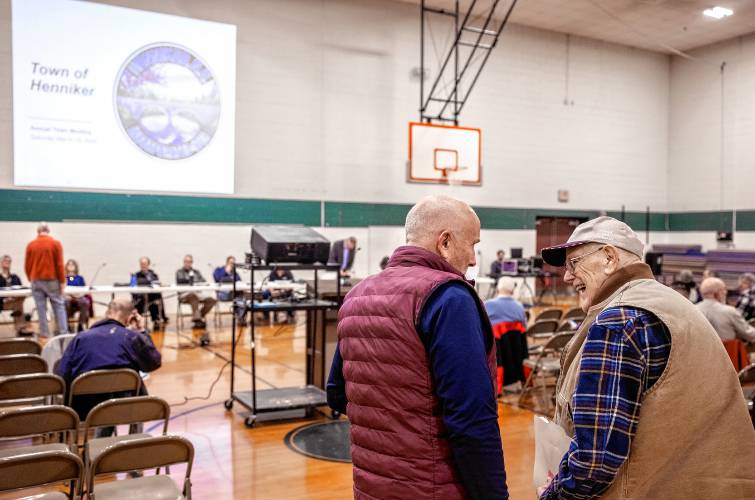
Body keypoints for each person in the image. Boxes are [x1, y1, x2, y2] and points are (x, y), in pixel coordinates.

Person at [538, 216, 755, 499]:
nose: (567, 276)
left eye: (573, 263)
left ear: (608, 257)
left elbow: (595, 460)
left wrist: (553, 496)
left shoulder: (618, 322)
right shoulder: (671, 302)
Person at [327, 195, 508, 499]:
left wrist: (395, 427)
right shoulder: (450, 298)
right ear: (445, 242)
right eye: (473, 244)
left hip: (371, 486)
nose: (475, 259)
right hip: (433, 487)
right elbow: (471, 420)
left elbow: (337, 393)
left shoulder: (358, 295)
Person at [56, 298, 161, 436]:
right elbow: (153, 363)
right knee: (125, 390)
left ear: (106, 313)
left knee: (104, 395)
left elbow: (62, 376)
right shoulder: (131, 337)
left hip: (82, 409)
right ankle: (135, 441)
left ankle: (94, 444)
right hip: (125, 408)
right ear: (131, 318)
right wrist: (141, 331)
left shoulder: (80, 338)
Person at [485, 276, 528, 395]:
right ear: (513, 290)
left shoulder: (487, 305)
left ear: (498, 289)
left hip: (498, 355)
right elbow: (525, 329)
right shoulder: (519, 307)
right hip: (517, 353)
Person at [25, 222, 68, 337]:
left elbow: (27, 265)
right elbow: (59, 264)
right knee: (59, 306)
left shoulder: (31, 245)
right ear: (48, 231)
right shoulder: (55, 243)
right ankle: (63, 332)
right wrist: (62, 281)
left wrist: (31, 277)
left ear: (38, 231)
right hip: (51, 279)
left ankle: (44, 333)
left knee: (40, 308)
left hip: (36, 280)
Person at [697, 277, 755, 344]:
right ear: (717, 293)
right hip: (727, 353)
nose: (726, 292)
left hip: (698, 352)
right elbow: (750, 334)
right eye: (723, 289)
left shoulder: (694, 310)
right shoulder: (729, 311)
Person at [176, 254, 216, 328]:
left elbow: (203, 281)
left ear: (192, 263)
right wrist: (193, 281)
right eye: (186, 261)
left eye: (189, 262)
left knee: (212, 300)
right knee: (193, 296)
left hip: (197, 293)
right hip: (184, 295)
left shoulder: (196, 272)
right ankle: (197, 320)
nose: (187, 263)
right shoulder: (179, 272)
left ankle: (198, 316)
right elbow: (181, 281)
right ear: (183, 262)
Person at [130, 257, 168, 330]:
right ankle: (138, 319)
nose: (143, 265)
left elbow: (156, 283)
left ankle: (157, 318)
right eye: (141, 264)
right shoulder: (136, 275)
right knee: (144, 299)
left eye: (144, 264)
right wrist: (148, 282)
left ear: (148, 264)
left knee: (157, 296)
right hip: (140, 298)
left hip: (151, 297)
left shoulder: (153, 274)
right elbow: (136, 284)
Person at [0, 254, 33, 336]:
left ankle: (21, 329)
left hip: (14, 302)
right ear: (1, 263)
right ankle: (21, 326)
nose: (7, 263)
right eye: (5, 261)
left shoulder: (15, 277)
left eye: (9, 261)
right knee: (18, 304)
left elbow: (22, 289)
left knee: (19, 303)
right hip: (1, 303)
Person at [64, 259, 90, 332]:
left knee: (85, 302)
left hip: (79, 297)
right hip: (68, 297)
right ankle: (66, 325)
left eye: (72, 264)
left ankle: (81, 325)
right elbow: (62, 289)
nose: (71, 266)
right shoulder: (64, 277)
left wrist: (79, 295)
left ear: (76, 267)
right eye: (69, 264)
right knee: (65, 303)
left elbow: (84, 288)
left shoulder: (80, 278)